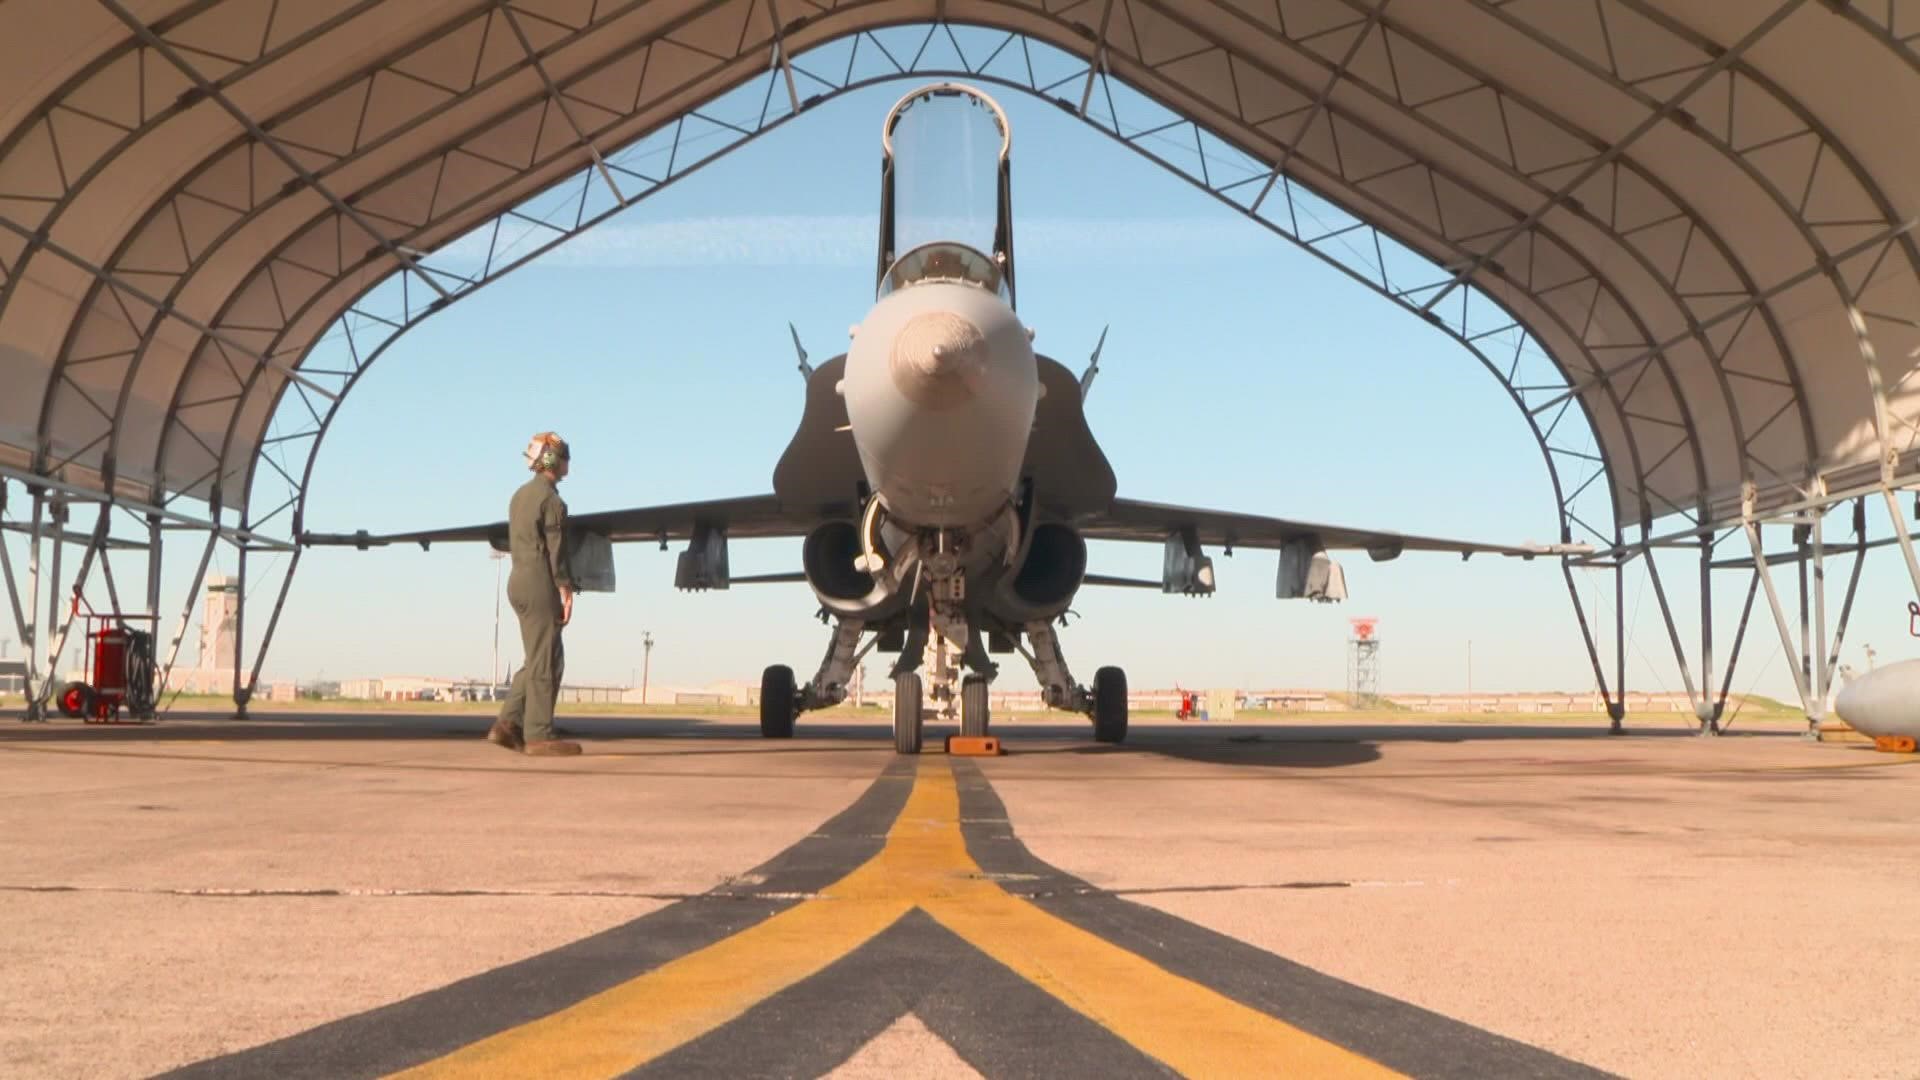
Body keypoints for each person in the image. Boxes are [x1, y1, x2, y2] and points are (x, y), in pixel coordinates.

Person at [488, 432, 581, 756]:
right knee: (546, 661)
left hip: (518, 580)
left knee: (543, 657)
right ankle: (539, 734)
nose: (569, 462)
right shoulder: (552, 502)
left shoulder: (519, 496)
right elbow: (556, 551)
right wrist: (565, 589)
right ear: (553, 460)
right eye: (566, 456)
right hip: (540, 582)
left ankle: (508, 725)